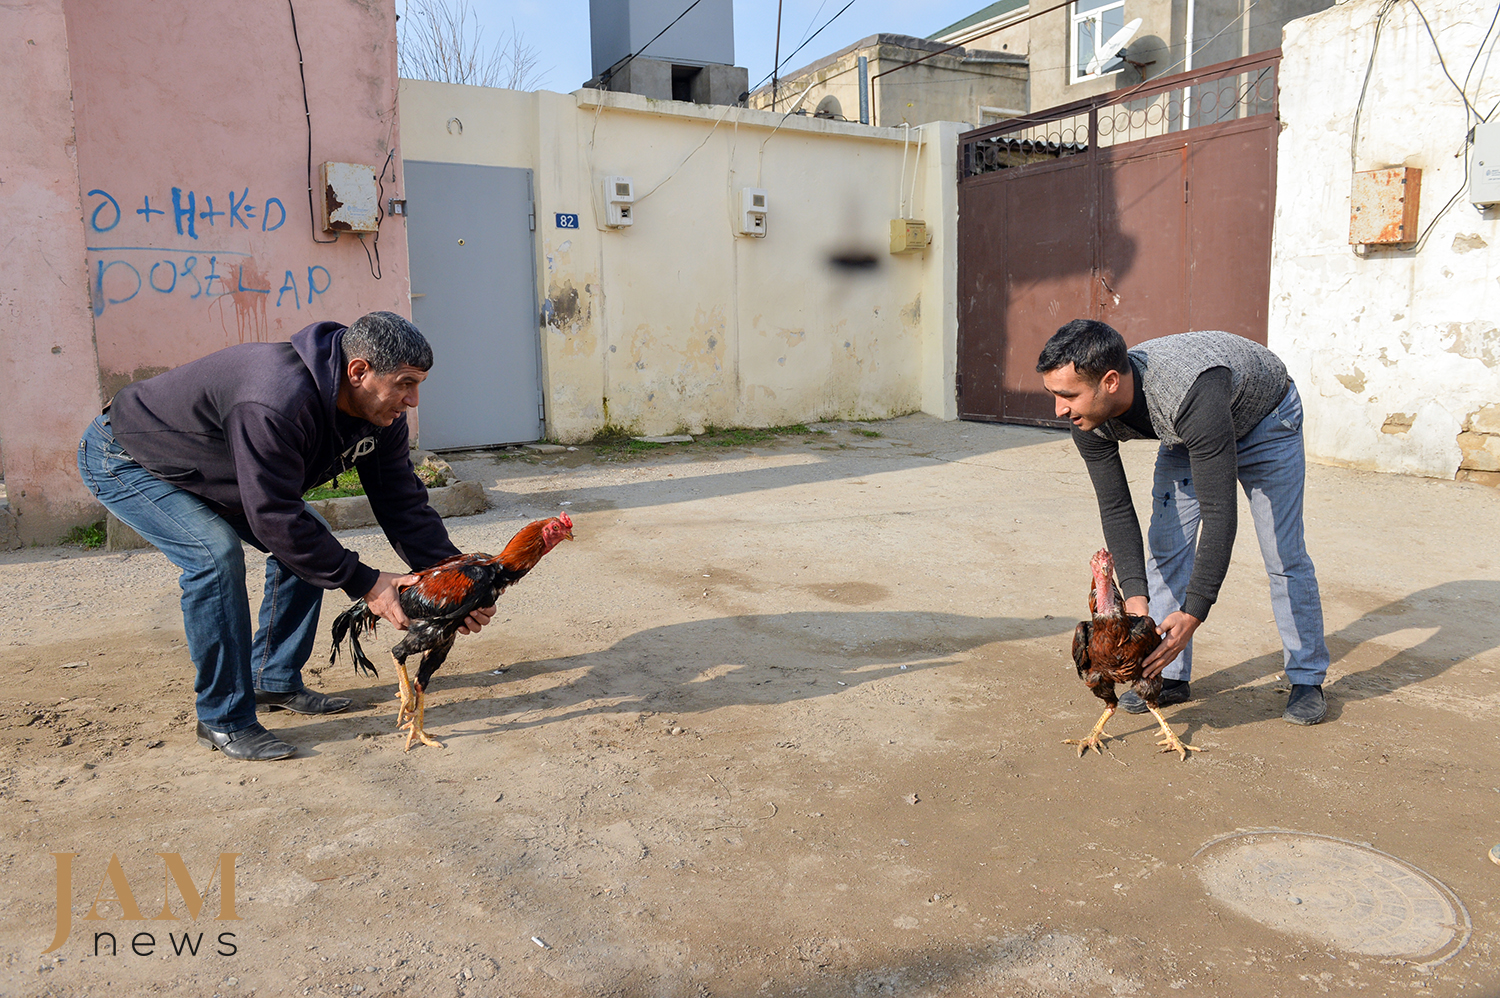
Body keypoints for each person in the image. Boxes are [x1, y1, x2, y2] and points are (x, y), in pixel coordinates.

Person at [77, 312, 494, 761]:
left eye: (419, 385)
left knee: (311, 540)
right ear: (358, 371)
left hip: (221, 468)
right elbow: (272, 514)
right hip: (128, 456)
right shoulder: (275, 399)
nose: (412, 400)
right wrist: (367, 582)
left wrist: (456, 581)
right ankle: (224, 719)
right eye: (405, 383)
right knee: (214, 557)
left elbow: (402, 504)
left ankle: (272, 679)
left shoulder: (381, 415)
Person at [1036, 320, 1331, 725]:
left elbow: (1219, 513)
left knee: (1283, 553)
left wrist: (1195, 612)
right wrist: (1135, 597)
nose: (1059, 408)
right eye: (1053, 394)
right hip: (1187, 433)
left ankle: (1306, 677)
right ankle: (1168, 675)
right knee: (1166, 548)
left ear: (1109, 382)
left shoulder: (1188, 391)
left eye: (1067, 395)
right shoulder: (1086, 418)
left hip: (1265, 420)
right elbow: (1116, 507)